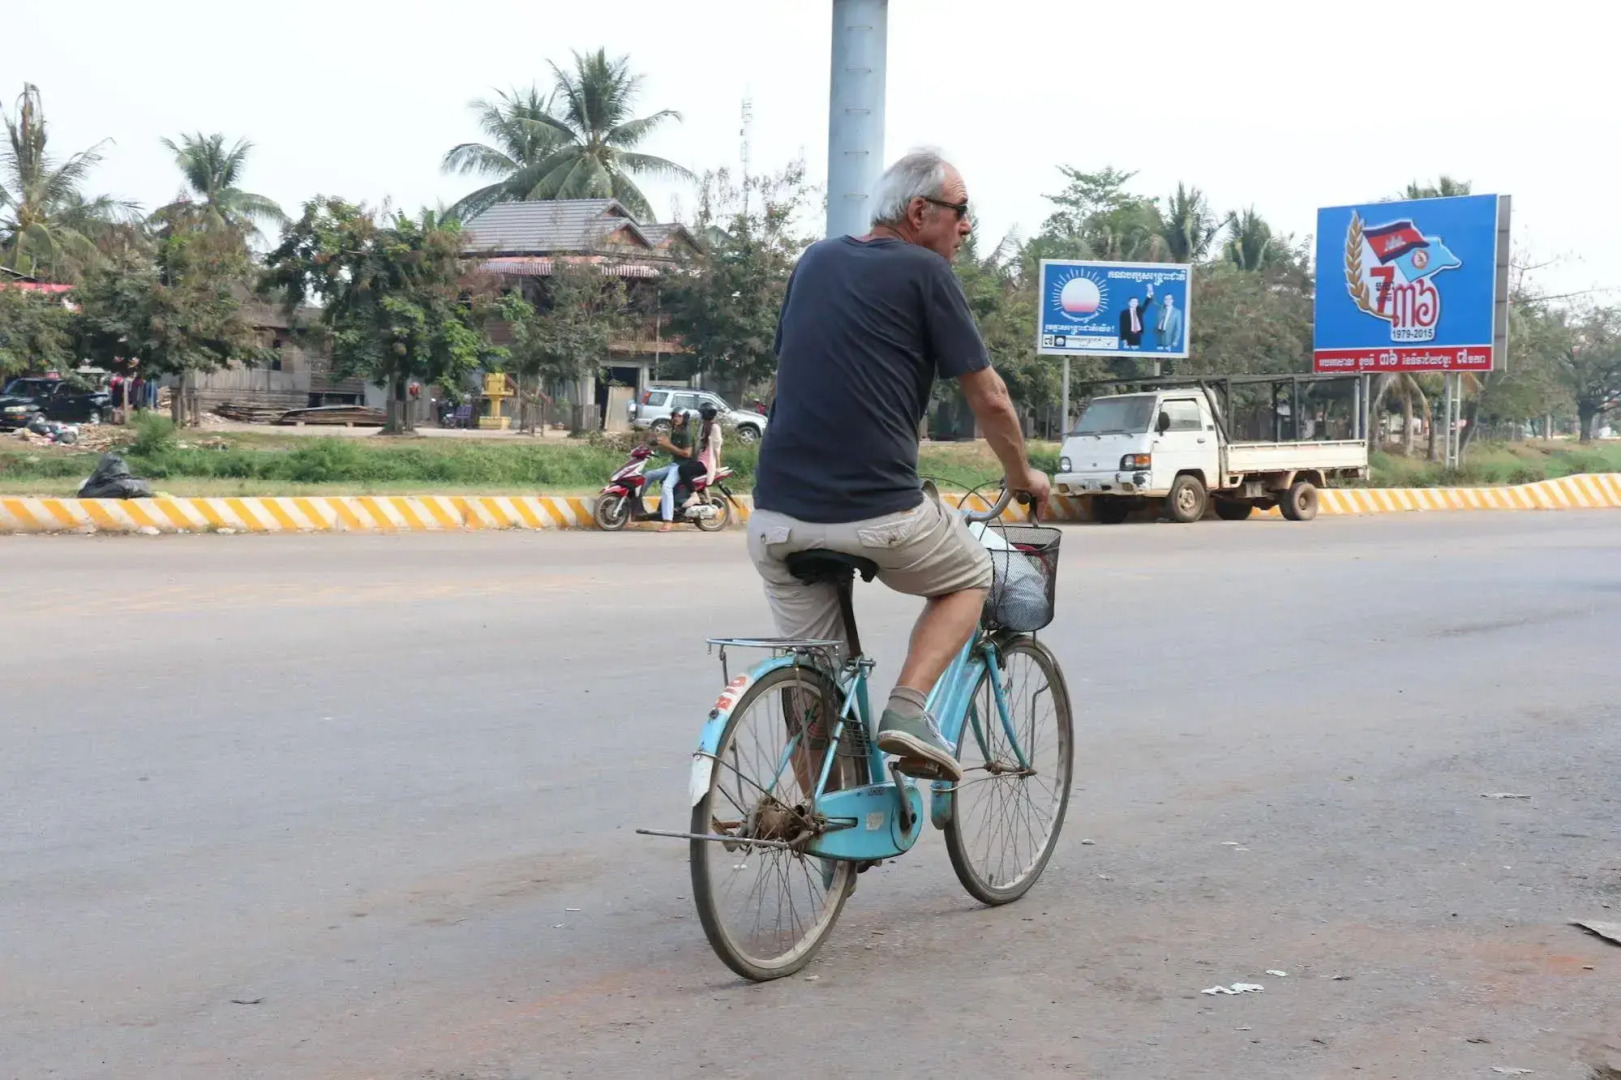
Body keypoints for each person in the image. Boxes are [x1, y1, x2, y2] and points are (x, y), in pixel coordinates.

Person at [749, 149, 1049, 782]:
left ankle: (823, 820)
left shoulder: (815, 260)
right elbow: (989, 397)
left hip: (775, 518)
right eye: (962, 212)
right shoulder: (925, 272)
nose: (967, 227)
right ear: (920, 212)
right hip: (877, 513)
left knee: (815, 673)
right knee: (972, 575)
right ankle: (909, 710)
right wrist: (1023, 477)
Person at [662, 403, 723, 532]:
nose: (701, 415)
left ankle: (694, 495)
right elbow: (698, 446)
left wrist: (718, 466)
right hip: (700, 460)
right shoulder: (704, 426)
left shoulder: (715, 427)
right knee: (683, 469)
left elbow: (717, 449)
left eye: (702, 413)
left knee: (682, 469)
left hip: (707, 463)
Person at [643, 408, 693, 518]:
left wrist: (668, 445)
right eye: (675, 416)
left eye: (679, 416)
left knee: (667, 487)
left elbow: (687, 453)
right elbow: (673, 449)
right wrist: (657, 444)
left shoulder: (686, 432)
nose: (676, 418)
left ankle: (667, 519)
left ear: (685, 418)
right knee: (648, 475)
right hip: (674, 464)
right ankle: (636, 505)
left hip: (682, 466)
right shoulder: (676, 430)